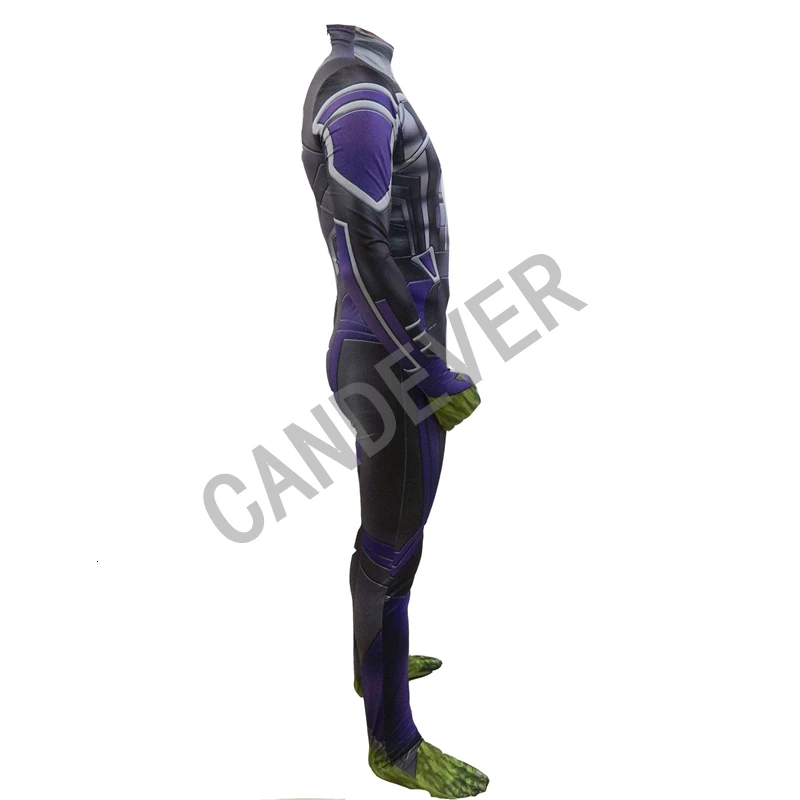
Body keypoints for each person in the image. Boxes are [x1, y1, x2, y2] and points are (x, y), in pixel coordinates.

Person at [300, 24, 488, 798]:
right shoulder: (357, 93)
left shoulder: (355, 80)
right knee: (391, 553)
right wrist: (428, 371)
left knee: (389, 546)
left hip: (378, 353)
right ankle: (394, 745)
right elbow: (361, 241)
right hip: (390, 365)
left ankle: (371, 665)